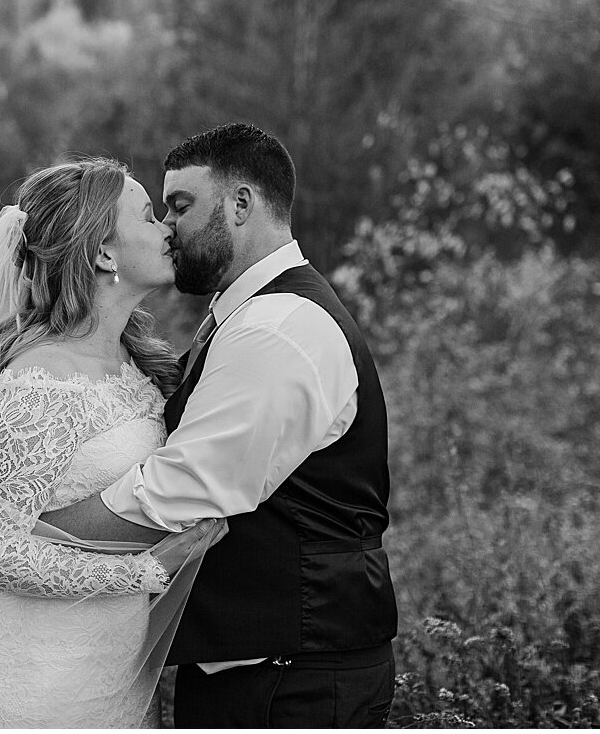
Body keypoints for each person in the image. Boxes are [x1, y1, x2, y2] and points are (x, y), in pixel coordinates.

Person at [42, 123, 399, 728]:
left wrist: (32, 532)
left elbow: (181, 491)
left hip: (290, 680)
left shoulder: (277, 327)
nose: (167, 227)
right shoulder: (249, 317)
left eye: (180, 205)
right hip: (262, 669)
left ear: (241, 204)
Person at [0, 157, 223, 728]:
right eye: (148, 216)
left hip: (101, 667)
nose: (166, 230)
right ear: (104, 253)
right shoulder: (43, 381)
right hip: (21, 678)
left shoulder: (135, 364)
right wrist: (147, 573)